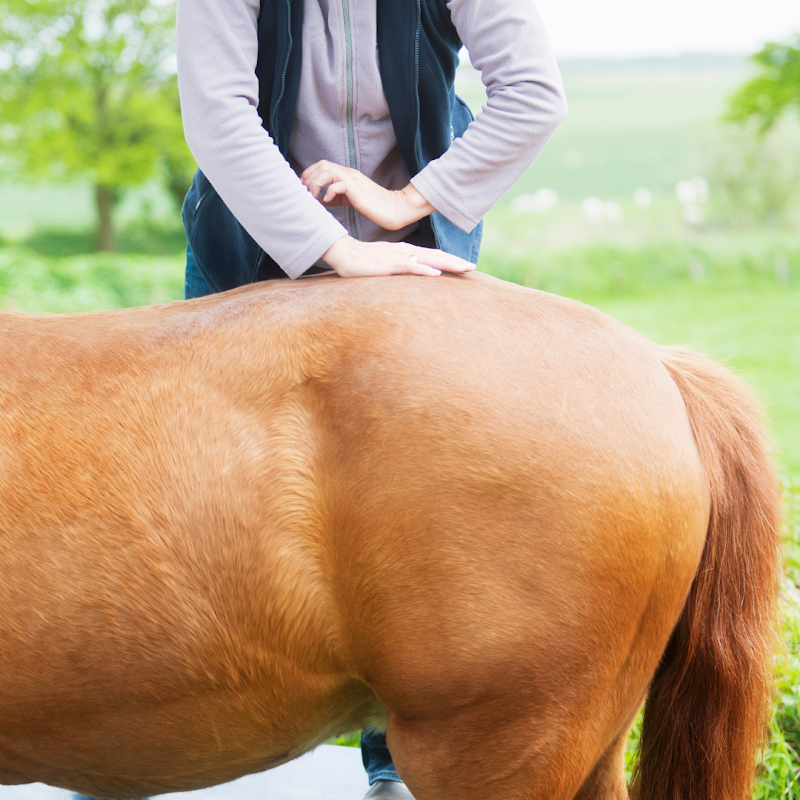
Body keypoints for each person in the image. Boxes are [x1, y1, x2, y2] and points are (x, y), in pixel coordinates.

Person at [74, 0, 565, 798]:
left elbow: (535, 93)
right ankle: (175, 726)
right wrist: (332, 248)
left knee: (416, 508)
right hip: (252, 243)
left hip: (411, 247)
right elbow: (219, 115)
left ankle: (391, 764)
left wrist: (411, 202)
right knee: (206, 497)